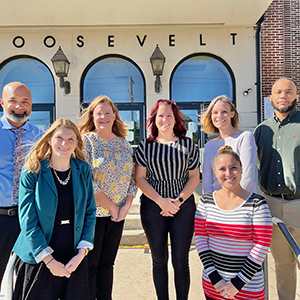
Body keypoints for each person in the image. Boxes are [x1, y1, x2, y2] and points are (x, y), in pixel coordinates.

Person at [12, 118, 96, 300]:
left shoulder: (82, 169)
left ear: (77, 144)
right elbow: (27, 219)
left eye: (70, 139)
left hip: (74, 255)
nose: (64, 143)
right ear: (49, 139)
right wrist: (48, 260)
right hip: (39, 254)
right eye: (59, 137)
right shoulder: (32, 170)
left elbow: (90, 211)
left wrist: (82, 252)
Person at [135, 99, 200, 300]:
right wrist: (161, 201)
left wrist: (177, 201)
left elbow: (194, 177)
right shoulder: (145, 146)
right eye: (160, 115)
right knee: (159, 260)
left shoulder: (188, 144)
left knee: (181, 261)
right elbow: (140, 178)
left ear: (175, 119)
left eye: (169, 115)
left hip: (184, 207)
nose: (165, 119)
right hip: (153, 208)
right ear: (154, 119)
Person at [195, 145, 272, 300]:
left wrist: (237, 283)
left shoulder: (257, 203)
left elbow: (262, 245)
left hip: (248, 289)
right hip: (213, 287)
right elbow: (201, 239)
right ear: (215, 172)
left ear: (242, 169)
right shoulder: (206, 201)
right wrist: (216, 279)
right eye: (222, 169)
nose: (228, 173)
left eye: (233, 168)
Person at [78, 95, 136, 300]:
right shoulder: (86, 141)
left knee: (108, 264)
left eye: (107, 113)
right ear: (92, 116)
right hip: (94, 215)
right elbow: (86, 180)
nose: (103, 117)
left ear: (114, 116)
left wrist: (125, 207)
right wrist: (112, 206)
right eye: (98, 113)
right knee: (91, 265)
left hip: (117, 216)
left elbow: (132, 179)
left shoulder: (124, 144)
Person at [254, 77, 300, 300]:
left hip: (299, 205)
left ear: (296, 96)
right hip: (271, 206)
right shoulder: (261, 130)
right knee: (283, 265)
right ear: (270, 97)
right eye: (279, 92)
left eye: (289, 92)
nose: (284, 95)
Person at [0, 82, 43, 289]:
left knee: (29, 278)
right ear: (2, 103)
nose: (19, 106)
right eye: (13, 101)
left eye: (25, 101)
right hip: (0, 217)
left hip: (30, 217)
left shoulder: (40, 137)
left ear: (31, 104)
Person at [201, 95, 257, 193]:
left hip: (242, 201)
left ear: (232, 114)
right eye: (215, 112)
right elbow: (207, 179)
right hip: (216, 203)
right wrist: (210, 201)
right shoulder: (210, 145)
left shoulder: (245, 137)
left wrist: (231, 202)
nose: (219, 116)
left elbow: (247, 177)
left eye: (224, 112)